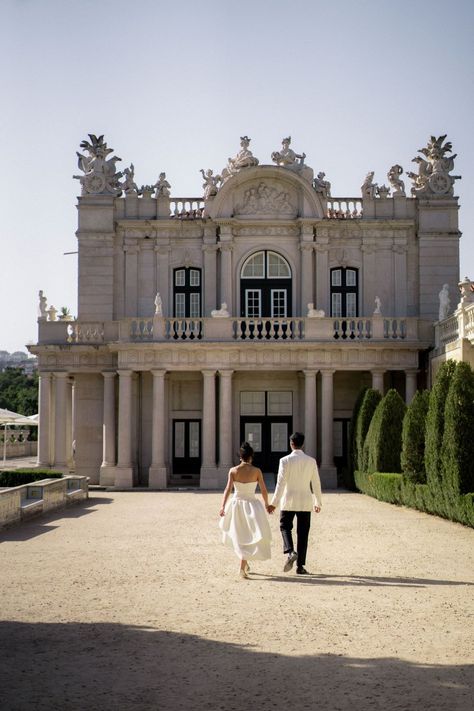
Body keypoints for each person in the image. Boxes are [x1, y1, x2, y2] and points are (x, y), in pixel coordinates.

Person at [267, 432, 322, 575]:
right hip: (305, 500)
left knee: (285, 527)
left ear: (291, 444)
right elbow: (316, 483)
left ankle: (291, 551)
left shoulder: (285, 461)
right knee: (303, 534)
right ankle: (300, 566)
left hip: (288, 500)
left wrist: (274, 503)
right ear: (303, 444)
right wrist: (318, 502)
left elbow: (280, 483)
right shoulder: (311, 461)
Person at [219, 442, 272, 579]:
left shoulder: (233, 470)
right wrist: (267, 504)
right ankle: (242, 567)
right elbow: (264, 490)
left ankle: (244, 564)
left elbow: (227, 489)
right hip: (251, 505)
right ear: (251, 456)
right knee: (248, 535)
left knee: (241, 535)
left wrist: (222, 506)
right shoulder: (256, 471)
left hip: (236, 505)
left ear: (240, 456)